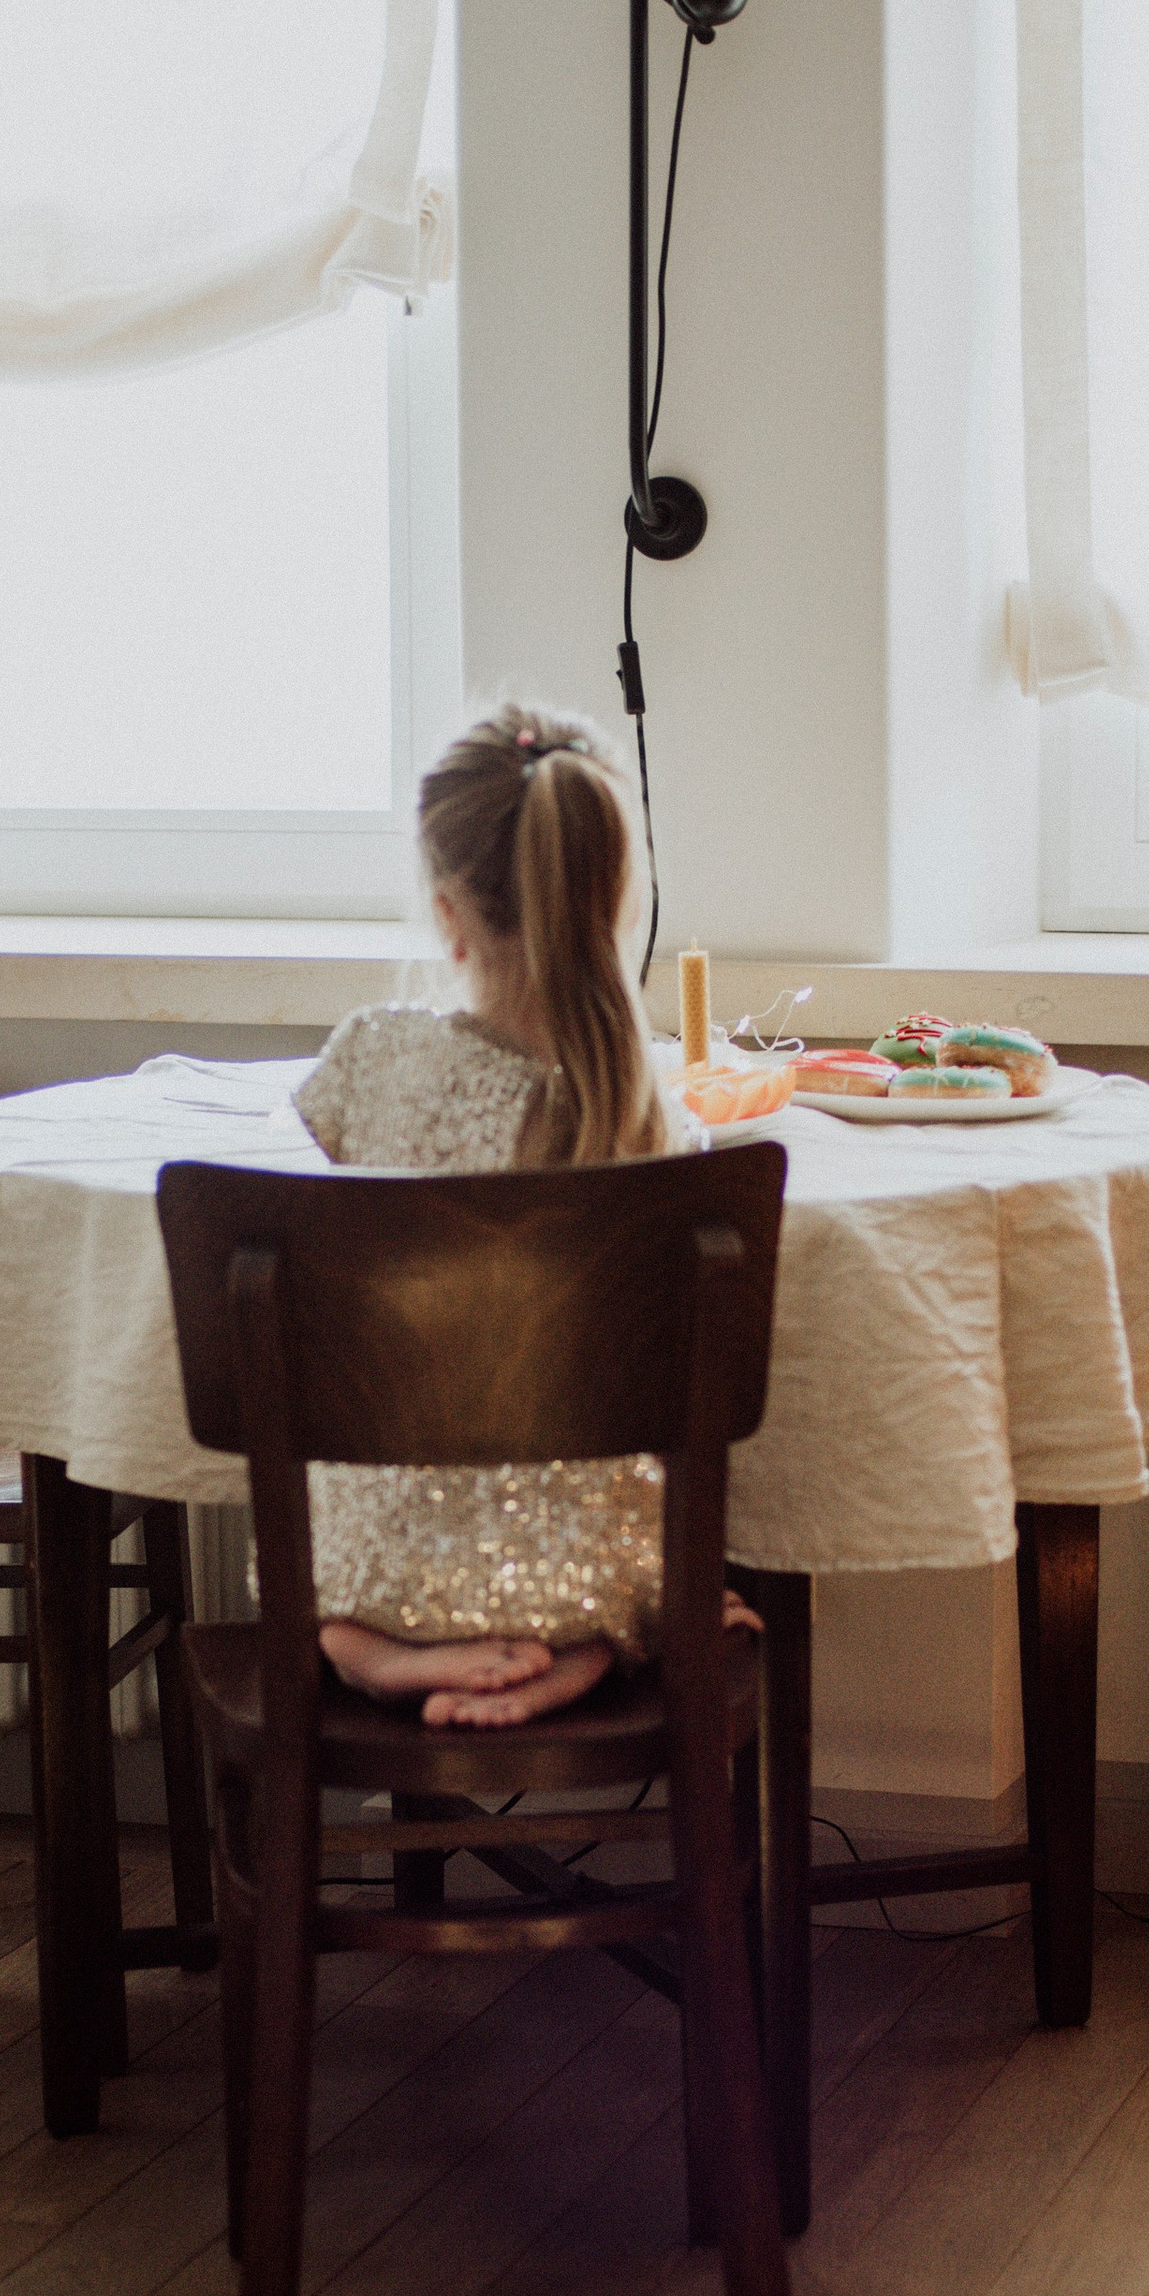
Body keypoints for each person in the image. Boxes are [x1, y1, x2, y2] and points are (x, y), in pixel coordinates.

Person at [293, 700, 753, 1729]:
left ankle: (361, 1649)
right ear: (610, 898)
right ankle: (588, 1647)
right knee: (631, 1535)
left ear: (449, 915)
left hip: (379, 1552)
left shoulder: (370, 1057)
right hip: (573, 1559)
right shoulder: (643, 1115)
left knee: (345, 1547)